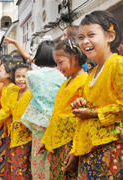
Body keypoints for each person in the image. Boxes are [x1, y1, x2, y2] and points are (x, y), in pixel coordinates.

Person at [70, 11, 123, 179]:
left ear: (110, 36)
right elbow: (96, 104)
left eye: (91, 35)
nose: (85, 42)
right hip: (90, 147)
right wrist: (83, 103)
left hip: (111, 147)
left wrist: (92, 113)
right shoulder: (92, 74)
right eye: (80, 37)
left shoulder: (118, 65)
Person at [5, 38, 66, 179]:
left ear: (39, 55)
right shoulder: (63, 75)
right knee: (54, 158)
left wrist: (15, 43)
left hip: (38, 123)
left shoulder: (31, 75)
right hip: (55, 122)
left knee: (38, 158)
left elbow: (32, 90)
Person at [38, 38, 88, 179]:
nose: (58, 68)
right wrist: (45, 140)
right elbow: (56, 115)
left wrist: (75, 149)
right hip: (58, 143)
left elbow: (84, 121)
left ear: (75, 58)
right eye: (56, 64)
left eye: (60, 63)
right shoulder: (64, 85)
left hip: (72, 143)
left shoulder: (85, 82)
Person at [0, 64, 33, 179]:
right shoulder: (15, 92)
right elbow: (7, 111)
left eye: (24, 76)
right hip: (12, 134)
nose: (20, 79)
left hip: (25, 136)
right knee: (13, 164)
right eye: (18, 76)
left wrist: (23, 123)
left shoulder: (31, 94)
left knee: (21, 166)